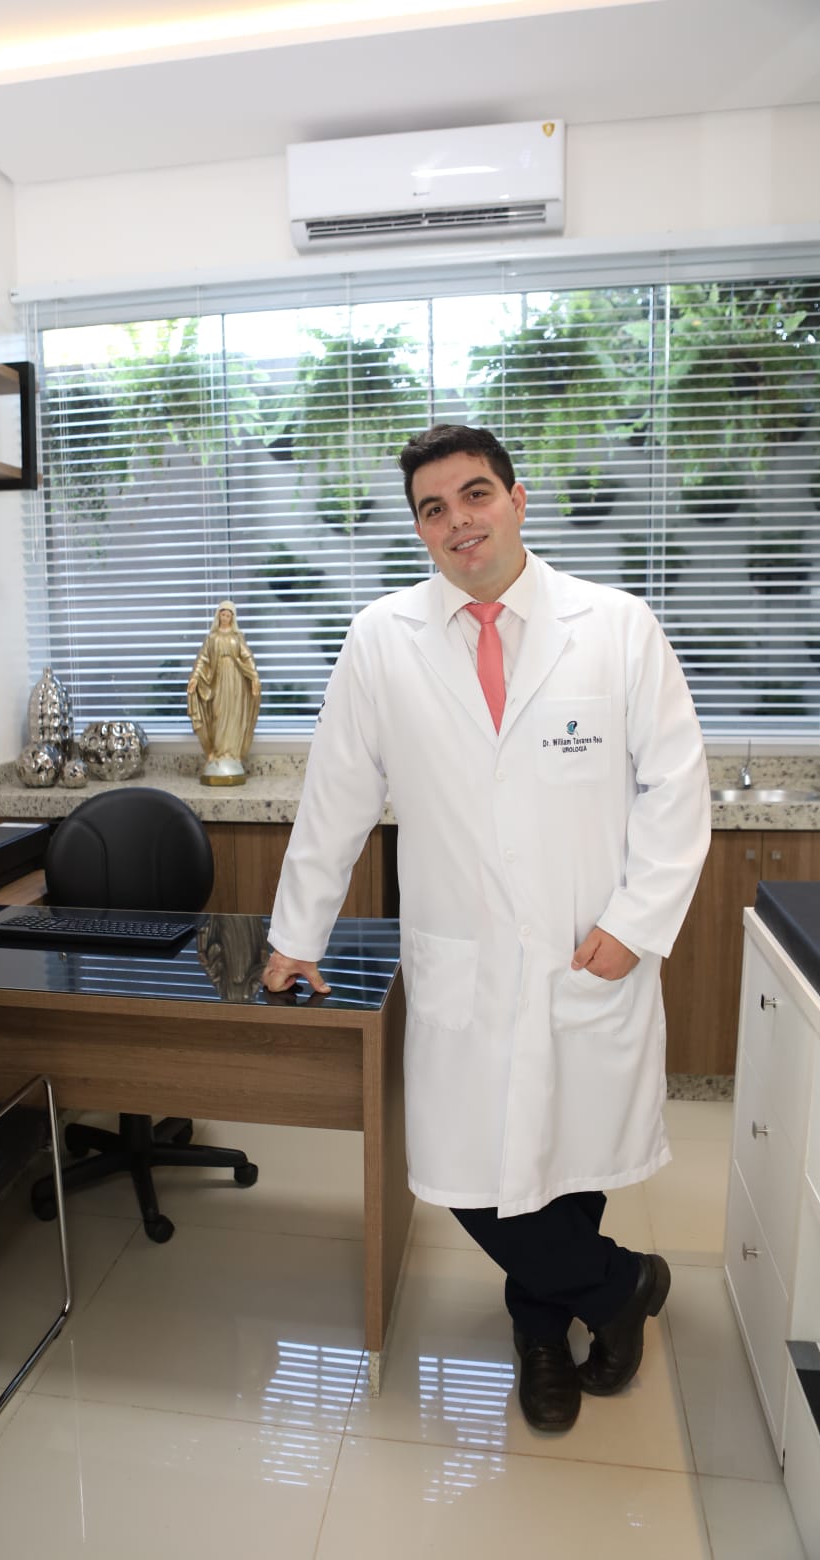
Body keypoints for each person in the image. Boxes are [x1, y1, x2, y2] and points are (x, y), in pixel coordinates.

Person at [263, 424, 711, 1433]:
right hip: (460, 957)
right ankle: (619, 1287)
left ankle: (540, 1335)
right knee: (466, 1170)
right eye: (433, 508)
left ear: (516, 499)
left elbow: (676, 787)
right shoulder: (382, 638)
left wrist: (635, 923)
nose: (457, 520)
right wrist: (297, 935)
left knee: (569, 1161)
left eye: (474, 494)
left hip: (587, 949)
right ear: (420, 529)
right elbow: (336, 797)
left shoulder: (615, 626)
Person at [187, 601, 261, 784]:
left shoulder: (237, 637)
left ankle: (232, 755)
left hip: (236, 682)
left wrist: (254, 677)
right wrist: (195, 678)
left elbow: (247, 657)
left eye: (228, 615)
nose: (225, 617)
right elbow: (202, 659)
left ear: (232, 618)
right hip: (218, 680)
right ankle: (218, 753)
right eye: (222, 614)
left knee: (234, 716)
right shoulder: (212, 638)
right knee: (218, 714)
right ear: (218, 616)